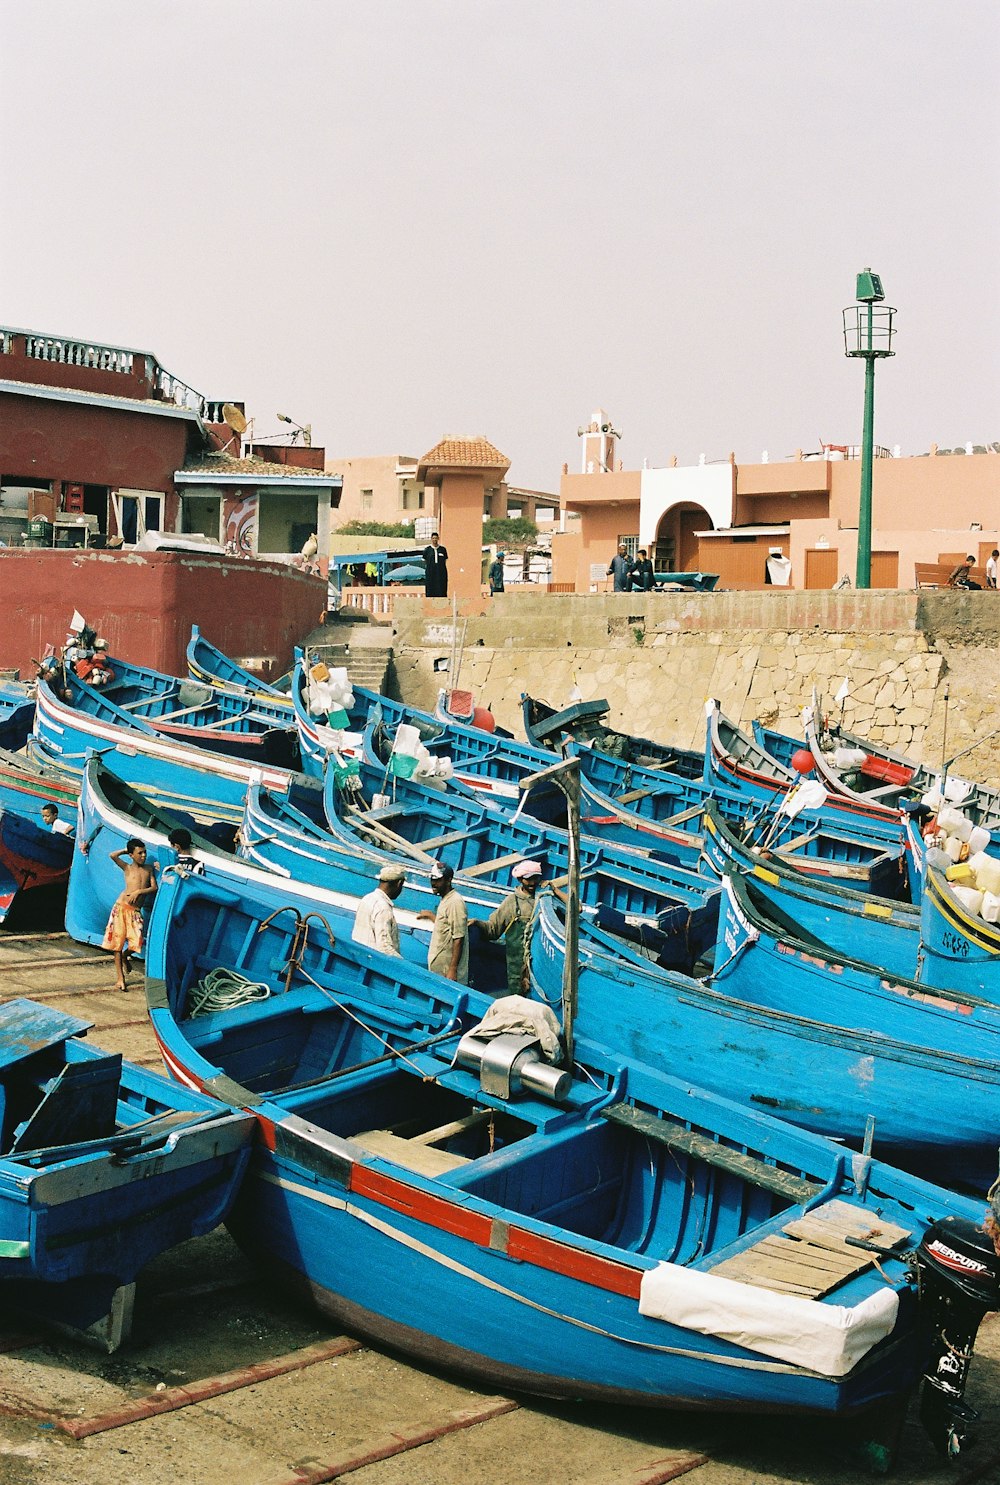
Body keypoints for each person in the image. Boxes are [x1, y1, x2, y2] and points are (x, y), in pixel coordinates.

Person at [478, 860, 542, 995]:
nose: (532, 883)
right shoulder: (512, 903)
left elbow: (577, 908)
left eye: (535, 878)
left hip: (540, 969)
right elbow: (493, 931)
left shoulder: (544, 899)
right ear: (520, 879)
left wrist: (553, 888)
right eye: (528, 879)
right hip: (517, 971)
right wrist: (477, 924)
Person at [102, 837, 157, 991]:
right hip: (121, 907)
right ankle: (120, 978)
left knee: (136, 942)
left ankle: (127, 955)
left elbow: (154, 887)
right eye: (140, 853)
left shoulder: (148, 869)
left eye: (145, 852)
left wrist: (139, 891)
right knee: (117, 943)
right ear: (132, 855)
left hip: (135, 911)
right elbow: (113, 855)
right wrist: (127, 850)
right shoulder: (127, 868)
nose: (144, 856)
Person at [417, 862, 468, 983]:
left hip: (446, 973)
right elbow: (446, 927)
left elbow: (458, 937)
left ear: (448, 880)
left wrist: (452, 969)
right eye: (432, 879)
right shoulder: (446, 899)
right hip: (439, 970)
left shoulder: (455, 902)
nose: (433, 884)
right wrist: (431, 916)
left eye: (438, 880)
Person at [352, 863, 406, 957]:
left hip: (359, 955)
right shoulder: (383, 908)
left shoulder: (367, 898)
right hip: (371, 962)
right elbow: (384, 947)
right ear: (399, 883)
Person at [423, 532, 449, 598]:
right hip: (431, 572)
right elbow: (425, 561)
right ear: (431, 539)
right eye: (433, 538)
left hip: (441, 572)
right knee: (430, 587)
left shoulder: (442, 549)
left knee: (441, 586)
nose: (435, 540)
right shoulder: (427, 550)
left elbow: (445, 560)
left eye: (436, 538)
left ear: (438, 539)